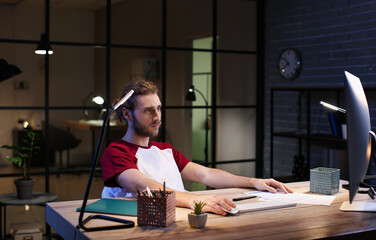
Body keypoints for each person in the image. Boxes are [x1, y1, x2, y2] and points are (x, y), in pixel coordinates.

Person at [101, 80, 293, 216]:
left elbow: (206, 175)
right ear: (127, 114)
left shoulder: (164, 149)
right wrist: (194, 200)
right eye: (148, 110)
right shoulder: (116, 152)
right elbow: (144, 186)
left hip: (184, 221)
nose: (158, 116)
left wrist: (253, 181)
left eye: (159, 108)